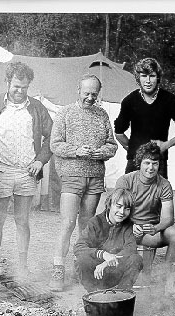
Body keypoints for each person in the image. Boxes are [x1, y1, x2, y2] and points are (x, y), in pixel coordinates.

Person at [0, 62, 53, 282]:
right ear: (7, 83)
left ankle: (22, 266)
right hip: (1, 170)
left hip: (26, 172)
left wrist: (41, 161)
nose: (19, 91)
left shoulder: (36, 107)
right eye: (15, 86)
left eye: (24, 87)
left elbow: (52, 137)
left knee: (22, 220)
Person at [50, 74, 118, 291]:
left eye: (94, 94)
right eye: (86, 93)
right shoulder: (65, 113)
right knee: (68, 223)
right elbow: (55, 145)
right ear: (78, 90)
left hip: (95, 177)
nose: (90, 97)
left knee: (86, 226)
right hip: (71, 176)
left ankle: (81, 267)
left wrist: (100, 152)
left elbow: (112, 145)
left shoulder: (102, 115)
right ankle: (57, 270)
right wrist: (77, 151)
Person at [115, 142, 175, 301]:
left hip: (149, 232)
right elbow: (115, 212)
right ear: (139, 163)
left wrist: (156, 227)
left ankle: (169, 286)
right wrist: (130, 227)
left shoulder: (164, 184)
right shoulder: (125, 181)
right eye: (147, 163)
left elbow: (168, 218)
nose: (151, 168)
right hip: (124, 231)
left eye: (155, 163)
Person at [114, 57, 175, 179]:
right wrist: (132, 147)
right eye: (144, 76)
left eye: (152, 76)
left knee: (157, 197)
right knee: (129, 197)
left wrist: (166, 145)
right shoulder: (129, 101)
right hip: (134, 162)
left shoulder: (170, 100)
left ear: (158, 77)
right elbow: (118, 132)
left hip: (158, 161)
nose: (148, 80)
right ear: (138, 78)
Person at [74, 188, 143, 292]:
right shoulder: (95, 222)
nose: (122, 212)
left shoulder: (128, 225)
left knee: (136, 259)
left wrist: (107, 262)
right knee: (82, 260)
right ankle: (93, 295)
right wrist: (103, 254)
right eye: (118, 206)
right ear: (110, 204)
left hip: (116, 272)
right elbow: (79, 247)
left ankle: (120, 295)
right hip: (96, 272)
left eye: (127, 208)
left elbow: (131, 249)